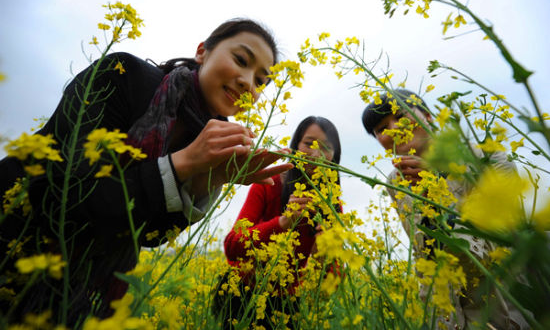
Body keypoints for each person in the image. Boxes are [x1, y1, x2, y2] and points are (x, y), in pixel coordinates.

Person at [0, 19, 293, 325]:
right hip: (14, 236)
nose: (248, 82)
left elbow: (147, 235)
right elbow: (60, 197)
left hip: (78, 293)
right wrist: (182, 163)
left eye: (261, 82)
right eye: (241, 60)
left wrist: (211, 180)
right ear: (202, 52)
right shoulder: (122, 75)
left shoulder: (207, 140)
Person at [361, 88, 529, 330]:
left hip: (506, 305)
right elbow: (423, 254)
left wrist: (437, 189)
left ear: (428, 116)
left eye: (401, 116)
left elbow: (507, 233)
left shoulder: (487, 157)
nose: (394, 129)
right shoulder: (395, 182)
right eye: (380, 129)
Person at [215, 116, 343, 330]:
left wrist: (323, 255)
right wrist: (283, 222)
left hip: (285, 303)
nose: (316, 154)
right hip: (241, 293)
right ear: (294, 147)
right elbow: (232, 246)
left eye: (326, 147)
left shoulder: (332, 203)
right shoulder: (268, 184)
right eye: (308, 143)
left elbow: (332, 281)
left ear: (335, 156)